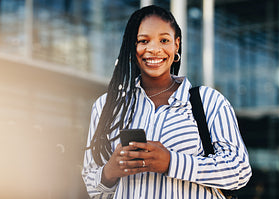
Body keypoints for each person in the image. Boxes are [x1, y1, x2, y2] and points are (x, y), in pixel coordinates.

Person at [82, 5, 252, 198]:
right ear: (132, 46)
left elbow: (239, 170)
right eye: (143, 41)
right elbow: (92, 187)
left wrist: (172, 162)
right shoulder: (107, 106)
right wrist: (109, 172)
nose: (154, 49)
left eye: (164, 40)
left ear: (176, 45)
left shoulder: (208, 101)